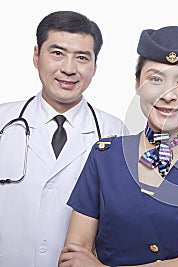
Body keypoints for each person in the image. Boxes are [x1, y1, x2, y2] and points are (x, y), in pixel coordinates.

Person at [58, 25, 178, 267]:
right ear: (137, 83)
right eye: (155, 79)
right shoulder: (105, 157)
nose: (168, 95)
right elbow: (73, 258)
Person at [0, 11, 124, 267]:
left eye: (81, 58)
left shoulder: (116, 132)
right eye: (57, 53)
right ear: (36, 56)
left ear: (95, 66)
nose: (69, 69)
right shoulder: (3, 121)